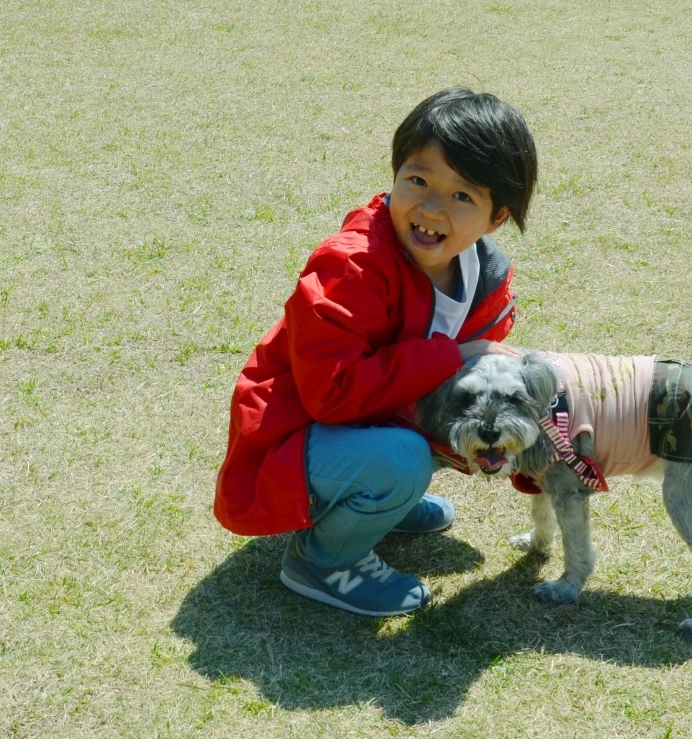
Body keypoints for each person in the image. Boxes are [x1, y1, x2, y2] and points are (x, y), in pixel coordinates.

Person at [213, 88, 538, 616]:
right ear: (394, 175)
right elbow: (330, 395)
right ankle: (322, 561)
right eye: (418, 181)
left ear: (496, 217)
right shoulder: (352, 266)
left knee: (451, 411)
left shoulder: (486, 275)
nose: (431, 208)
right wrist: (450, 358)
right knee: (402, 459)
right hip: (289, 437)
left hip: (367, 423)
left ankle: (382, 500)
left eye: (462, 196)